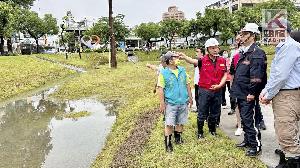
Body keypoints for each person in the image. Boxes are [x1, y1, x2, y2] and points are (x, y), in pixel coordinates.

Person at [260, 23, 300, 166]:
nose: (267, 36)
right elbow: (275, 74)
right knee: (284, 129)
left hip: (288, 95)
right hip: (284, 94)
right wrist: (266, 91)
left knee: (287, 133)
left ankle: (292, 161)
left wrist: (268, 94)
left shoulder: (290, 47)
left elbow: (281, 77)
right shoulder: (283, 48)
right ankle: (286, 157)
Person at [231, 23, 267, 157]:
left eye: (245, 34)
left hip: (248, 93)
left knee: (250, 120)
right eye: (242, 33)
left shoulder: (257, 53)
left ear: (252, 36)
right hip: (240, 92)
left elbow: (256, 77)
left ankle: (255, 146)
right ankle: (247, 140)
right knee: (245, 119)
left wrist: (252, 93)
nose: (242, 36)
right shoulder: (244, 51)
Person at [179, 38, 227, 139]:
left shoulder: (222, 60)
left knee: (215, 111)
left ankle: (212, 130)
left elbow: (225, 75)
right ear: (207, 49)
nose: (215, 50)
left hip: (217, 90)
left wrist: (220, 85)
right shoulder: (202, 60)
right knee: (202, 111)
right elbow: (193, 61)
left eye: (216, 48)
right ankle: (200, 132)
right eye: (212, 48)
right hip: (205, 90)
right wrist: (184, 57)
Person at [157, 51, 193, 152]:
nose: (178, 58)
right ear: (170, 61)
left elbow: (187, 84)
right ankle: (168, 144)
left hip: (183, 102)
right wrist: (162, 103)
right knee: (169, 123)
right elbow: (160, 89)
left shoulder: (182, 70)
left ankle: (178, 138)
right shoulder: (163, 73)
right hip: (171, 103)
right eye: (175, 57)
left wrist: (190, 98)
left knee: (181, 121)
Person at [193, 48, 205, 112]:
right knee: (196, 96)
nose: (196, 53)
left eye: (198, 51)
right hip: (196, 81)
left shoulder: (203, 60)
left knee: (201, 97)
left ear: (202, 53)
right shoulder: (197, 61)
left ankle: (202, 110)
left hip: (201, 82)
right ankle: (198, 108)